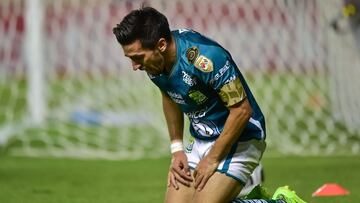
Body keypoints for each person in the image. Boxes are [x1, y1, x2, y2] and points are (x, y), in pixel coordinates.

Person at [113, 6, 306, 203]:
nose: (135, 66)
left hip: (241, 138)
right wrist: (177, 149)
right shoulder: (154, 62)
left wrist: (212, 159)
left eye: (137, 58)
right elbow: (169, 95)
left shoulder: (207, 58)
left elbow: (242, 111)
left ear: (161, 45)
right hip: (201, 139)